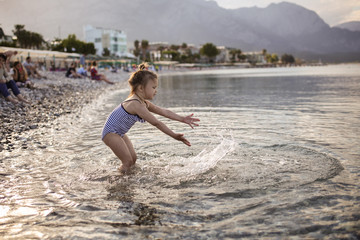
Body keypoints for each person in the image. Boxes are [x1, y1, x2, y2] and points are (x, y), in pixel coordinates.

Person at [102, 63, 200, 173]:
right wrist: (174, 135)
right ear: (140, 88)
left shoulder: (143, 102)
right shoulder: (136, 104)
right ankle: (117, 181)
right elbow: (157, 123)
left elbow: (164, 111)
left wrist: (182, 119)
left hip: (120, 132)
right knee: (127, 161)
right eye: (153, 87)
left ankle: (128, 179)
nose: (156, 90)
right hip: (110, 133)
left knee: (133, 159)